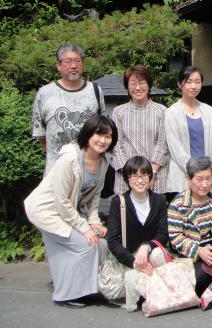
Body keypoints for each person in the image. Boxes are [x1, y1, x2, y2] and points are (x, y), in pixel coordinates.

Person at [24, 115, 117, 308]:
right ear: (88, 134)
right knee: (86, 244)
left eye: (108, 136)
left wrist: (94, 222)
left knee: (101, 244)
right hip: (47, 211)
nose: (102, 140)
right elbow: (61, 200)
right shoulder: (70, 158)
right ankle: (65, 295)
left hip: (70, 211)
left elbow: (94, 197)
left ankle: (87, 290)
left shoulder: (103, 162)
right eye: (98, 134)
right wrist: (85, 228)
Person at [106, 156, 169, 311]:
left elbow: (163, 234)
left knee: (158, 255)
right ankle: (148, 291)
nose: (140, 180)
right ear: (127, 179)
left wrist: (146, 246)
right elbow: (112, 239)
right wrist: (134, 262)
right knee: (119, 287)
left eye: (144, 175)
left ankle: (151, 292)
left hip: (152, 257)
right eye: (134, 176)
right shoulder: (118, 202)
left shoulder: (159, 201)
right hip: (128, 260)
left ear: (150, 177)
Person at [32, 43, 106, 174]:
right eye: (68, 61)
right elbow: (41, 136)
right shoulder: (44, 93)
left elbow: (103, 128)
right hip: (56, 171)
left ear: (83, 64)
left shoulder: (95, 90)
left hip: (89, 171)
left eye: (77, 61)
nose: (73, 66)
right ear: (58, 65)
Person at [167, 156, 212, 297]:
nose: (205, 184)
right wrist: (199, 251)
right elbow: (176, 237)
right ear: (189, 179)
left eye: (208, 178)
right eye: (199, 179)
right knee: (201, 275)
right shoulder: (177, 205)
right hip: (191, 254)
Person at [111, 65, 168, 195]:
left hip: (155, 178)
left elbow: (163, 144)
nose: (137, 88)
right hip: (126, 178)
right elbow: (116, 145)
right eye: (132, 84)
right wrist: (131, 175)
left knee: (155, 207)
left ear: (149, 85)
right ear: (127, 87)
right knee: (126, 208)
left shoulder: (162, 111)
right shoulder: (119, 112)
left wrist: (151, 173)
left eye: (141, 83)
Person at [165, 66, 212, 199]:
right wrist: (194, 173)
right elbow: (175, 148)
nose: (193, 86)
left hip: (206, 180)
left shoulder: (208, 110)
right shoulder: (172, 112)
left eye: (197, 82)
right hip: (182, 177)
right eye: (188, 82)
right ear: (180, 84)